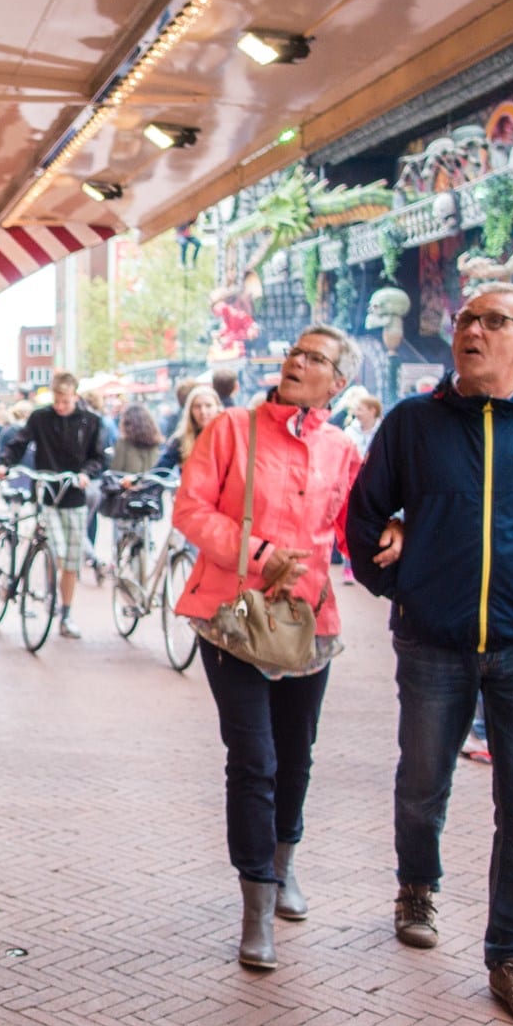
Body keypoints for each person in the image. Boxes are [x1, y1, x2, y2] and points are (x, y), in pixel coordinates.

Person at [346, 281, 513, 1026]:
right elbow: (362, 519)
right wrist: (402, 581)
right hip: (434, 642)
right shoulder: (412, 424)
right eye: (467, 318)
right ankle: (417, 886)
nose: (474, 330)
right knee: (424, 783)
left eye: (495, 321)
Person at [172, 328, 362, 971]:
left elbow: (350, 524)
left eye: (315, 359)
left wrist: (390, 530)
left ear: (338, 383)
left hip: (309, 622)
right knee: (253, 758)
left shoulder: (341, 448)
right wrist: (257, 555)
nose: (297, 363)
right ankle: (256, 904)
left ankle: (285, 864)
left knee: (296, 756)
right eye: (294, 353)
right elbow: (190, 509)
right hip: (230, 617)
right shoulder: (230, 428)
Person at [0, 371, 106, 638]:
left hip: (74, 495)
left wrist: (86, 473)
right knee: (55, 549)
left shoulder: (90, 422)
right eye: (57, 400)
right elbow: (19, 442)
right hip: (46, 493)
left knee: (72, 560)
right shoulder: (40, 418)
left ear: (75, 396)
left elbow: (99, 458)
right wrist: (4, 462)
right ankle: (50, 595)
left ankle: (65, 613)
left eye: (65, 401)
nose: (60, 406)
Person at [157, 385, 222, 472]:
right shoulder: (180, 440)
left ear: (217, 408)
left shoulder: (227, 437)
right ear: (190, 410)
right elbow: (160, 469)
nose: (203, 411)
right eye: (197, 406)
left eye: (208, 405)